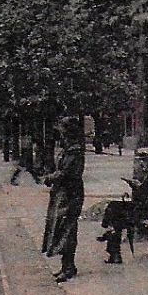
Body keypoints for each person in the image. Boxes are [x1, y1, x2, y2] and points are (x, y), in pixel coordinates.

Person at [41, 116, 86, 282]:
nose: (59, 132)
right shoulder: (68, 149)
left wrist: (50, 178)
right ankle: (66, 266)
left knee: (67, 228)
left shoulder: (75, 151)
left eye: (62, 129)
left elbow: (68, 173)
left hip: (71, 194)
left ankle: (68, 268)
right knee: (61, 228)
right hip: (63, 193)